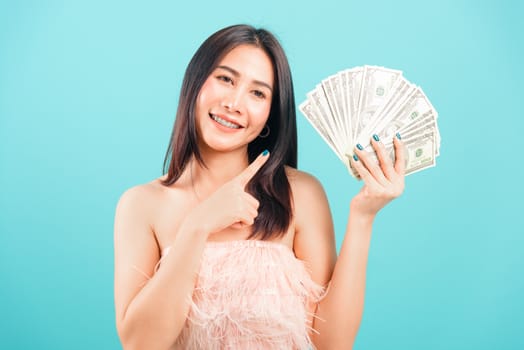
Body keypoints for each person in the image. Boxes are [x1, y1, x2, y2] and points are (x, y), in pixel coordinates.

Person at [114, 24, 405, 350]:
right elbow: (140, 344)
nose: (234, 103)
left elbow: (332, 344)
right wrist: (198, 226)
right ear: (195, 84)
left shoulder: (300, 194)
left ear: (269, 116)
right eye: (225, 79)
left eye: (258, 93)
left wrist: (363, 217)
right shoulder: (142, 204)